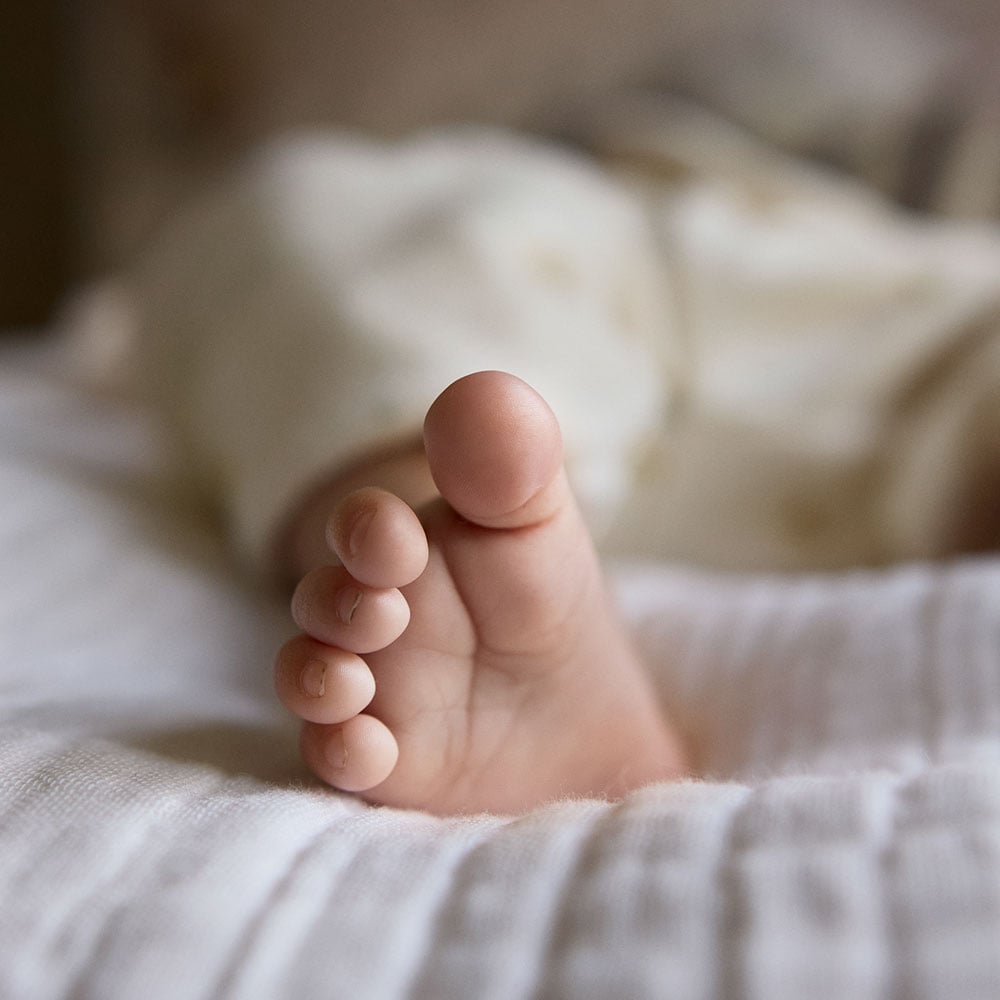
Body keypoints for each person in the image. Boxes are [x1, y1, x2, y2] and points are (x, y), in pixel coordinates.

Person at [130, 2, 1000, 815]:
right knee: (311, 209)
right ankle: (440, 522)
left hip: (948, 362)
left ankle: (464, 571)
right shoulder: (772, 90)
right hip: (697, 269)